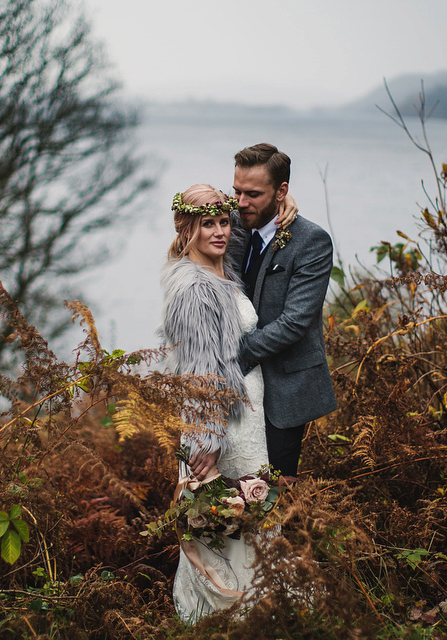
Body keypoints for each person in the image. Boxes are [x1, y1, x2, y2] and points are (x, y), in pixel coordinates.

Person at [161, 183, 294, 622]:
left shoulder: (219, 269)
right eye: (207, 224)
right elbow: (201, 374)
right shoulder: (194, 287)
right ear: (187, 229)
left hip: (244, 417)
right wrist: (208, 441)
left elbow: (245, 211)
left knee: (246, 516)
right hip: (223, 426)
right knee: (226, 517)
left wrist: (281, 207)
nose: (219, 231)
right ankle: (232, 615)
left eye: (223, 222)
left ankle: (257, 612)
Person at [228, 143, 338, 479]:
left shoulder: (311, 242)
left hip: (283, 392)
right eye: (237, 192)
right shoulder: (230, 226)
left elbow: (294, 323)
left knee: (273, 493)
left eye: (254, 194)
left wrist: (231, 356)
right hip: (234, 390)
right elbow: (194, 207)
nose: (242, 202)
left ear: (282, 191)